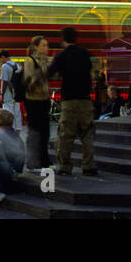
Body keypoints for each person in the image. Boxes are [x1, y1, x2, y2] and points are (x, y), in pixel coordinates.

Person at [47, 26, 97, 176]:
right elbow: (91, 72)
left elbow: (49, 73)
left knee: (65, 136)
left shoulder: (61, 56)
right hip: (86, 100)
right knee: (87, 134)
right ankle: (88, 166)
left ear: (62, 39)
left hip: (69, 100)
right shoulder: (85, 53)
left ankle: (64, 166)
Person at [22, 35, 52, 170]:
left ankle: (45, 161)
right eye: (43, 45)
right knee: (34, 131)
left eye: (47, 45)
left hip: (44, 99)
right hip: (33, 100)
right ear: (35, 47)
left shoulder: (46, 61)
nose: (46, 48)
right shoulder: (30, 61)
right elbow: (29, 82)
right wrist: (39, 75)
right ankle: (32, 162)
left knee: (45, 131)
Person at [0, 50, 23, 132]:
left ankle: (10, 134)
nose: (0, 61)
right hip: (17, 95)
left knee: (8, 115)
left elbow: (4, 81)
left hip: (8, 96)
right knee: (17, 114)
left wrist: (1, 94)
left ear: (3, 57)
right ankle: (17, 133)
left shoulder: (5, 66)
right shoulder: (17, 65)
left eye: (0, 59)